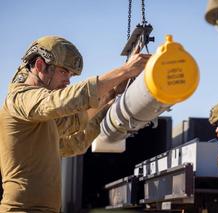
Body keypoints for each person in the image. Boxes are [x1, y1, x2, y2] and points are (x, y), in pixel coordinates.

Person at [0, 35, 150, 212]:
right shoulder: (20, 99)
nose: (68, 81)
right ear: (40, 65)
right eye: (64, 72)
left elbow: (74, 137)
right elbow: (62, 102)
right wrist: (125, 71)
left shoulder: (39, 117)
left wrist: (111, 95)